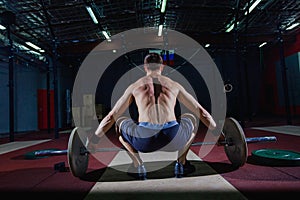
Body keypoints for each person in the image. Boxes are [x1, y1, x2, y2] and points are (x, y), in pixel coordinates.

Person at [87, 52, 217, 180]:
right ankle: (181, 163)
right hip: (173, 139)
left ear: (145, 67)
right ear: (162, 66)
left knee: (119, 122)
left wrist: (94, 141)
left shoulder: (134, 86)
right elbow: (202, 112)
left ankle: (138, 166)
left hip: (144, 141)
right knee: (192, 118)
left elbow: (111, 116)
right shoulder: (174, 85)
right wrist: (218, 134)